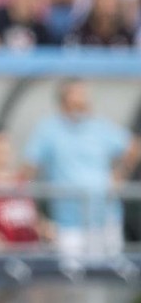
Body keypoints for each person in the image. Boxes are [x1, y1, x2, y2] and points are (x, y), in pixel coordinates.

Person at [22, 79, 137, 265]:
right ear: (64, 99)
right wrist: (37, 216)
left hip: (105, 219)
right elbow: (28, 171)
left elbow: (133, 148)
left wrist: (119, 175)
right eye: (78, 95)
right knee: (72, 278)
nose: (84, 100)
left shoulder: (99, 126)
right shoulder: (48, 129)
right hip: (69, 225)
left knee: (109, 276)